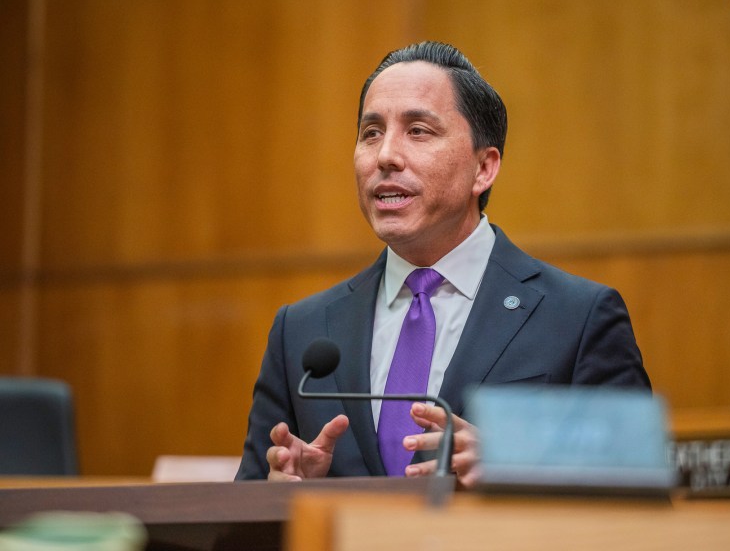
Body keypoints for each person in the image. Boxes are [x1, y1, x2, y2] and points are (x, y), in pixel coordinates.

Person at [235, 41, 650, 488]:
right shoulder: (301, 331)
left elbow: (640, 496)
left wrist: (519, 467)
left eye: (418, 131)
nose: (385, 155)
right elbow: (244, 512)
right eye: (371, 133)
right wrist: (278, 500)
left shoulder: (578, 317)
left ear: (483, 169)